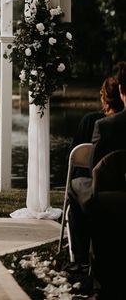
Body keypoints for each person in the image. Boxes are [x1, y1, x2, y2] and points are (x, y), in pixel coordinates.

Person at [66, 75, 123, 265]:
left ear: (104, 97)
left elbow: (87, 163)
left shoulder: (95, 123)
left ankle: (80, 255)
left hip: (102, 184)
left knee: (75, 184)